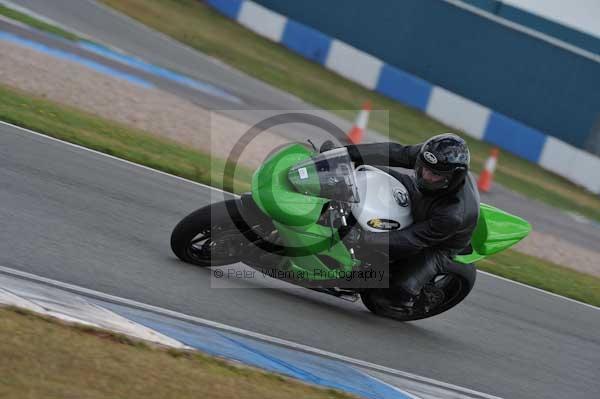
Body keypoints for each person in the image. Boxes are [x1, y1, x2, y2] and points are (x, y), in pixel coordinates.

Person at [339, 133, 480, 307]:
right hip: (420, 195)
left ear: (451, 178)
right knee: (366, 170)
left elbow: (411, 238)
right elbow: (396, 152)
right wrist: (344, 153)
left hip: (439, 242)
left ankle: (408, 297)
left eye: (434, 174)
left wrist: (361, 238)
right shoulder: (432, 158)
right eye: (424, 168)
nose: (426, 175)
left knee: (400, 289)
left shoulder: (452, 214)